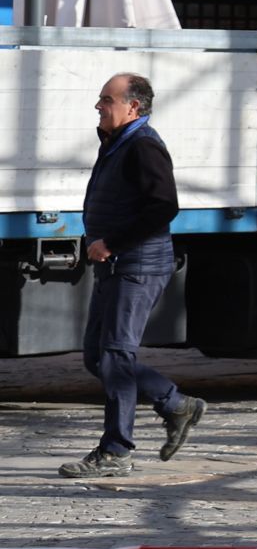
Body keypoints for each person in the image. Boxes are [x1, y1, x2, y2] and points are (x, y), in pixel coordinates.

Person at [59, 74, 206, 479]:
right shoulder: (119, 142)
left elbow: (163, 207)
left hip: (137, 266)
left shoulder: (143, 145)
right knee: (97, 357)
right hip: (116, 266)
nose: (99, 106)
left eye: (106, 99)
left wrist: (114, 242)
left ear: (133, 107)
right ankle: (175, 404)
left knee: (117, 357)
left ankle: (116, 451)